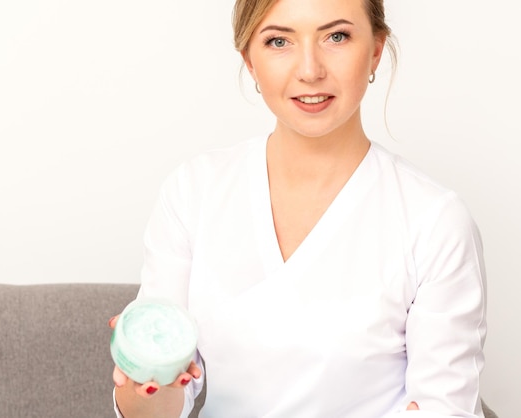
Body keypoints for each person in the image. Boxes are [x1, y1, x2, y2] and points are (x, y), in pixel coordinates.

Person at [110, 0, 487, 416]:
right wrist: (147, 381)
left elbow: (443, 407)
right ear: (249, 61)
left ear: (376, 49)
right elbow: (157, 404)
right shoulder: (193, 191)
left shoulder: (434, 221)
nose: (310, 69)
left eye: (336, 36)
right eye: (278, 41)